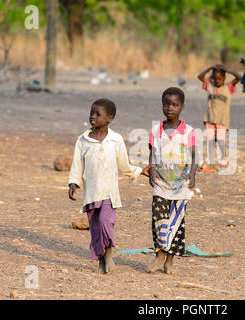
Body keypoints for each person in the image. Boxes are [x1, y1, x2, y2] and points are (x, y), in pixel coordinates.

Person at [68, 98, 152, 274]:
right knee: (96, 228)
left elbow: (123, 165)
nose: (93, 117)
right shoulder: (83, 140)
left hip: (109, 193)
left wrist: (139, 171)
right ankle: (101, 259)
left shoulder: (115, 140)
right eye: (92, 113)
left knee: (106, 223)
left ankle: (108, 253)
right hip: (91, 193)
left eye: (98, 114)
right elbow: (77, 164)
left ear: (110, 118)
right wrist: (73, 183)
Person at [147, 87, 198, 275]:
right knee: (158, 219)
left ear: (182, 107)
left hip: (180, 185)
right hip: (161, 183)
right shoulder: (156, 130)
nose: (170, 108)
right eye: (166, 105)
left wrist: (192, 174)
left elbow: (194, 157)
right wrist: (151, 172)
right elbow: (152, 155)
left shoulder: (189, 131)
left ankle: (170, 260)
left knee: (177, 222)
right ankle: (159, 253)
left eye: (175, 105)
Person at [197, 64, 241, 172]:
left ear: (224, 78)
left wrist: (228, 69)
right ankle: (211, 165)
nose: (217, 81)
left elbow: (239, 77)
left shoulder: (228, 87)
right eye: (215, 79)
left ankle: (224, 158)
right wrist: (209, 68)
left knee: (220, 141)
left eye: (220, 79)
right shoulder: (209, 86)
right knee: (211, 142)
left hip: (222, 120)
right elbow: (200, 77)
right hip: (210, 119)